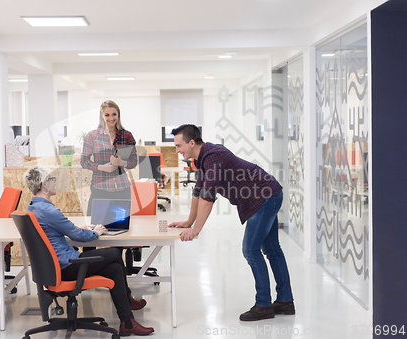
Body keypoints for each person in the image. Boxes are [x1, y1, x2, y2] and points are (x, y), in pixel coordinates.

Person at [168, 124, 294, 322]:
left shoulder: (214, 156)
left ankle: (264, 305)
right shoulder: (202, 158)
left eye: (178, 146)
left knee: (251, 250)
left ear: (191, 143)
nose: (177, 150)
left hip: (263, 196)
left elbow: (208, 198)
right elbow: (199, 191)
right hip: (267, 194)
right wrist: (189, 221)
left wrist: (196, 230)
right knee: (272, 250)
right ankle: (285, 301)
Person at [24, 166, 154, 336]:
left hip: (53, 267)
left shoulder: (33, 207)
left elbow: (60, 230)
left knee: (115, 269)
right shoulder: (49, 211)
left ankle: (127, 322)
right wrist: (95, 232)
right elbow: (79, 236)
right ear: (44, 185)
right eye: (51, 180)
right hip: (67, 267)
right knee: (115, 253)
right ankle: (127, 304)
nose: (54, 182)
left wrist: (79, 229)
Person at [81, 100, 138, 216]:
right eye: (107, 115)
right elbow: (84, 161)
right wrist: (100, 167)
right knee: (95, 225)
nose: (111, 118)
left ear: (118, 115)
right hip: (100, 188)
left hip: (122, 188)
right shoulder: (92, 136)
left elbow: (133, 162)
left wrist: (120, 162)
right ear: (102, 116)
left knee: (121, 226)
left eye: (114, 114)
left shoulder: (126, 135)